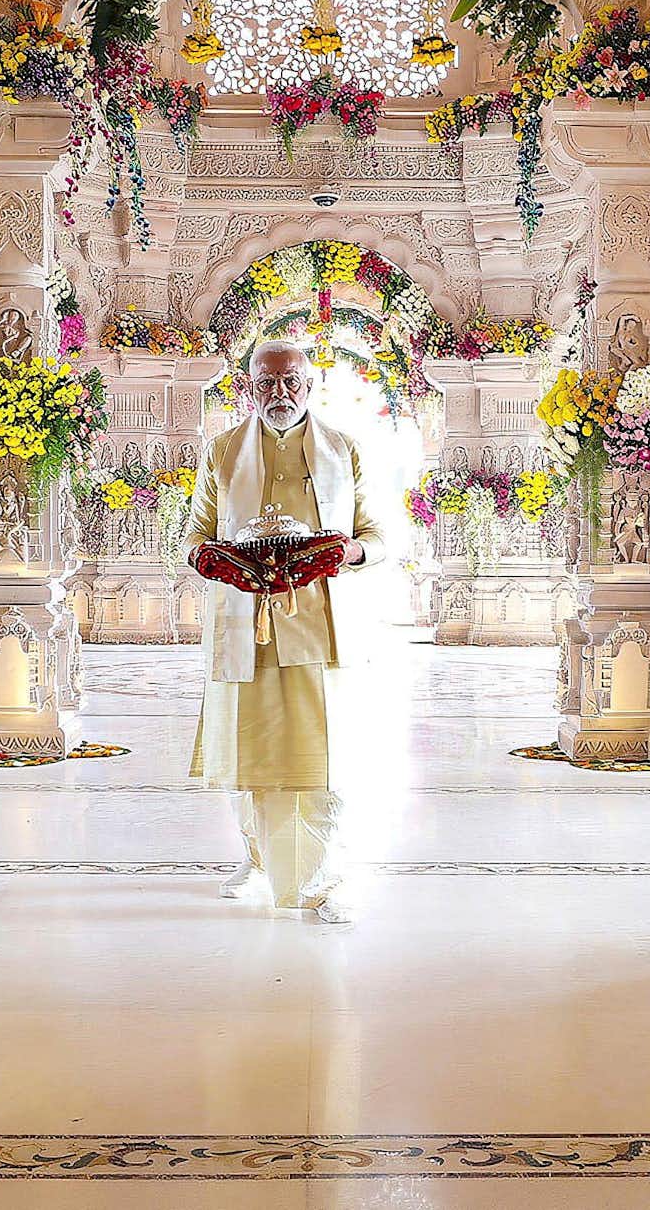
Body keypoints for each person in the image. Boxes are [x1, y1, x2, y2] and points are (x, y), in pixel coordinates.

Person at [184, 341, 386, 924]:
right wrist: (212, 559)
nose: (279, 392)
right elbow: (196, 533)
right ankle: (257, 857)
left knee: (318, 757)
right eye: (267, 381)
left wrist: (347, 552)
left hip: (319, 627)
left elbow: (376, 534)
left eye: (291, 380)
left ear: (311, 384)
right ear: (249, 386)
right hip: (244, 625)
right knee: (248, 752)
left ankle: (320, 880)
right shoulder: (223, 450)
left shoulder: (343, 449)